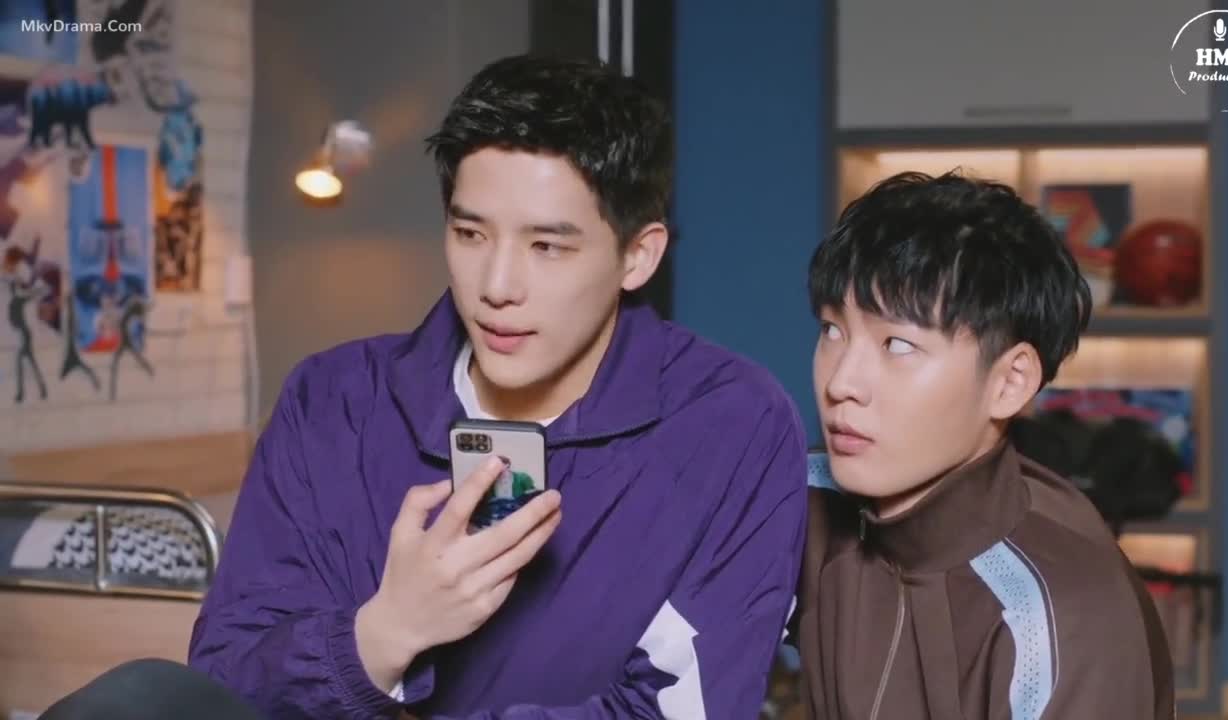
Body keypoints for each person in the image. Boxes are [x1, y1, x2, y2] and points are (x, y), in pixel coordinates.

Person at [188, 54, 808, 719]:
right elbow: (223, 686)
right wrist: (384, 634)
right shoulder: (332, 402)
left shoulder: (730, 423)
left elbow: (680, 712)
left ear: (638, 256)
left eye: (547, 246)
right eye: (470, 234)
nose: (497, 286)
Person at [792, 171, 1174, 719]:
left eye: (897, 344)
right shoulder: (794, 499)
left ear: (1009, 382)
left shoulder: (1067, 617)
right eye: (833, 331)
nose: (841, 382)